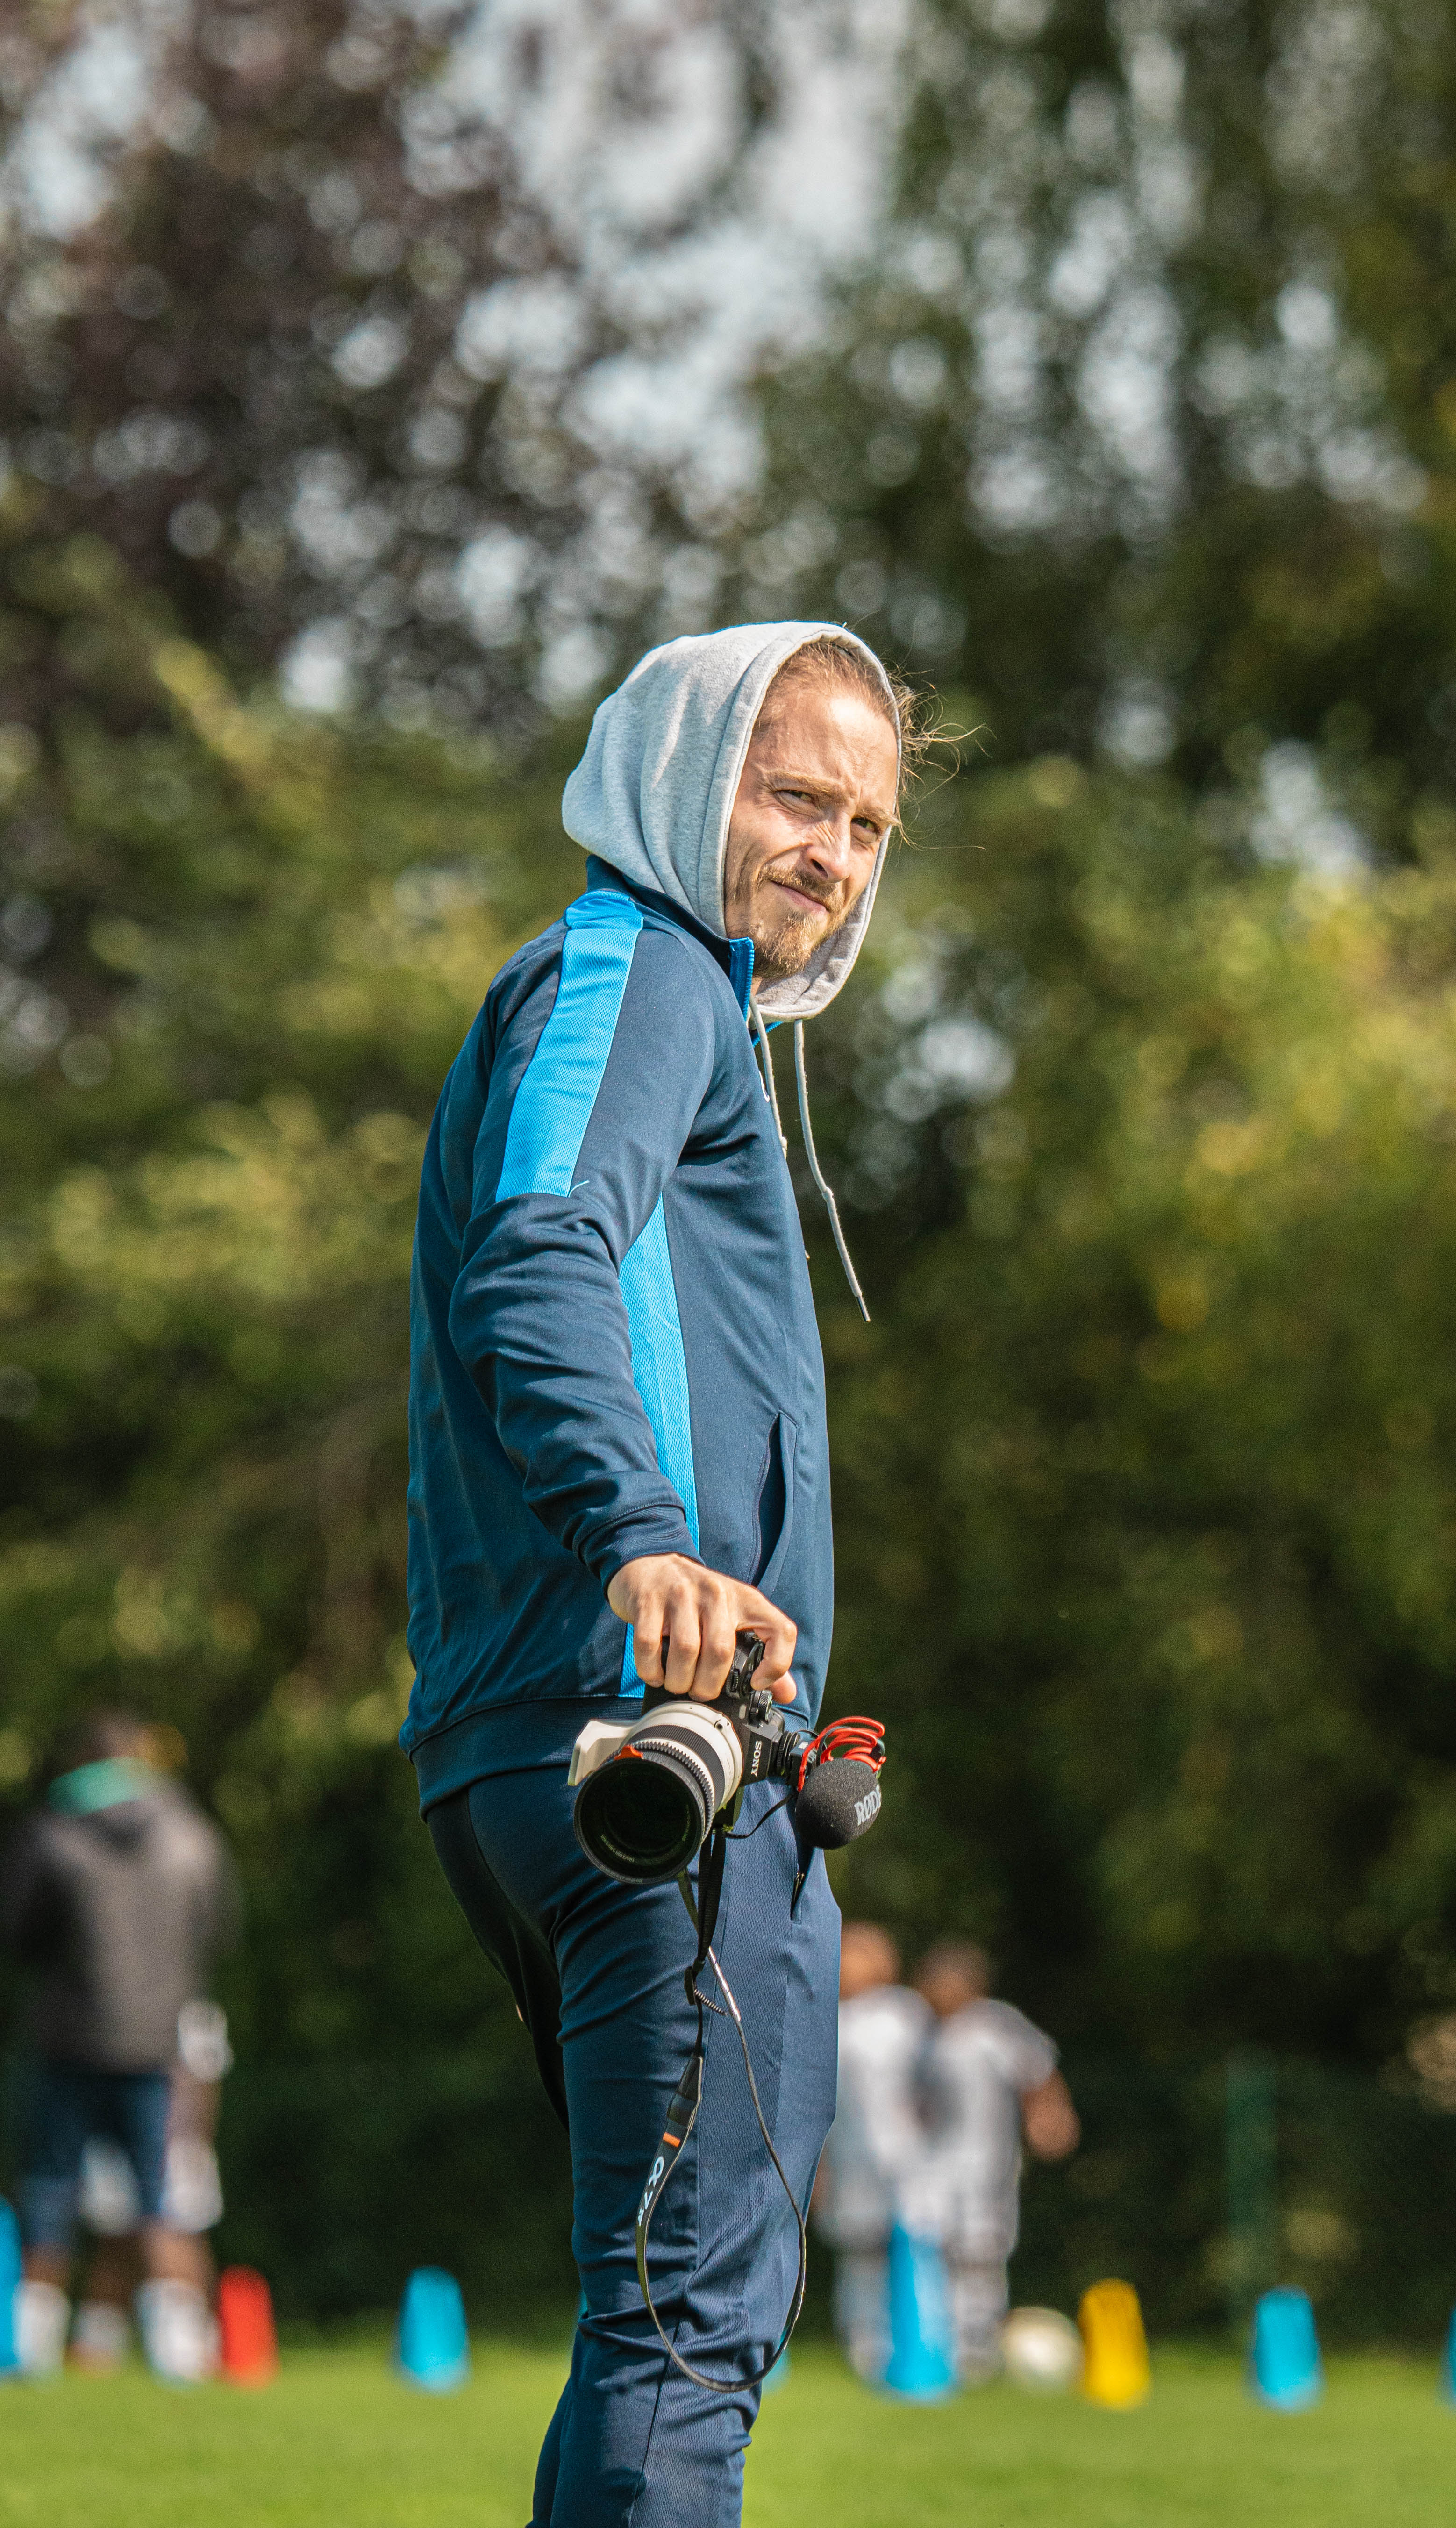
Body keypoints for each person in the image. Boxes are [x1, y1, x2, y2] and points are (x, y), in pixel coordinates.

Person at [405, 623, 917, 2527]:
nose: (834, 853)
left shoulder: (654, 992)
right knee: (691, 2329)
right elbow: (537, 1252)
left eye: (866, 822)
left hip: (551, 1725)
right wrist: (641, 1529)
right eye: (795, 794)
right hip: (634, 1729)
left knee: (659, 2318)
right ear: (677, 767)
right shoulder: (634, 972)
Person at [0, 1714, 241, 2382]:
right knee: (162, 2193)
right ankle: (181, 2355)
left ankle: (31, 2352)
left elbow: (16, 1932)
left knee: (49, 2187)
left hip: (67, 2037)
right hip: (161, 2040)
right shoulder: (192, 1834)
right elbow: (220, 1931)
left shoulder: (52, 1833)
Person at [914, 1940, 1080, 2384]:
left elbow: (1039, 2074)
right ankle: (936, 2343)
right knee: (936, 2248)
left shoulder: (996, 2026)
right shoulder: (927, 2035)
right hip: (935, 2164)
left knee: (981, 2250)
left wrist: (1050, 2118)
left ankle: (978, 2346)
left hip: (987, 2162)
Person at [71, 1996, 234, 2372]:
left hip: (173, 2148)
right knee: (119, 2240)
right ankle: (98, 2348)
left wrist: (191, 2148)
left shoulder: (193, 2006)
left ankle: (188, 2348)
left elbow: (202, 2081)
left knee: (175, 2235)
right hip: (117, 2143)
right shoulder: (108, 2000)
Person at [814, 1922, 932, 2381]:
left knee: (912, 2245)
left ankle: (931, 2341)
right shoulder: (828, 2016)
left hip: (908, 2155)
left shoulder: (906, 2013)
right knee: (859, 2250)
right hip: (848, 2154)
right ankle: (864, 2342)